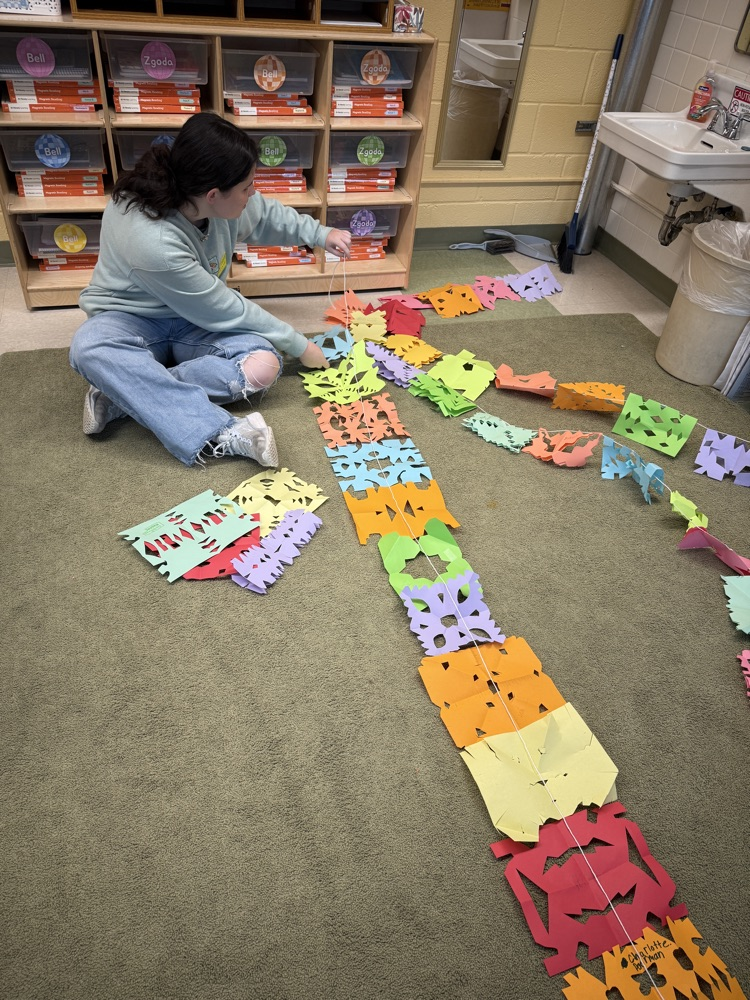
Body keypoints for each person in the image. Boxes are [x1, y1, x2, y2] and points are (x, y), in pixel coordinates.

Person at [69, 112, 351, 468]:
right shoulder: (152, 240)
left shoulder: (209, 193)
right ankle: (213, 428)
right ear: (214, 195)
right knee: (91, 347)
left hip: (194, 324)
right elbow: (226, 307)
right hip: (132, 320)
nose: (253, 193)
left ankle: (125, 392)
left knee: (263, 365)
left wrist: (321, 235)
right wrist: (302, 345)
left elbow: (264, 215)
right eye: (247, 186)